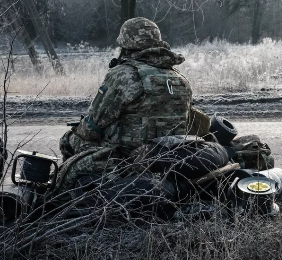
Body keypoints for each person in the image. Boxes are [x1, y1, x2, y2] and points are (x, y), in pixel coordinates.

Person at [54, 17, 209, 195]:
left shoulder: (122, 75)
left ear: (125, 45)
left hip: (127, 160)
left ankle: (62, 197)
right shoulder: (181, 79)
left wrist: (79, 132)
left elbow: (90, 128)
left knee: (68, 139)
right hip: (167, 158)